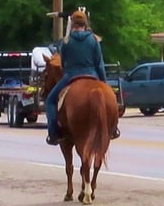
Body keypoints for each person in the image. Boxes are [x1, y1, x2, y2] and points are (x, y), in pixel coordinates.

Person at [45, 9, 120, 145]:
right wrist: (103, 82)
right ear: (85, 23)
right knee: (112, 98)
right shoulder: (94, 40)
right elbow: (100, 64)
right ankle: (113, 128)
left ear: (72, 24)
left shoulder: (66, 41)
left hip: (71, 76)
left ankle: (53, 133)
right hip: (93, 74)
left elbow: (63, 64)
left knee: (50, 101)